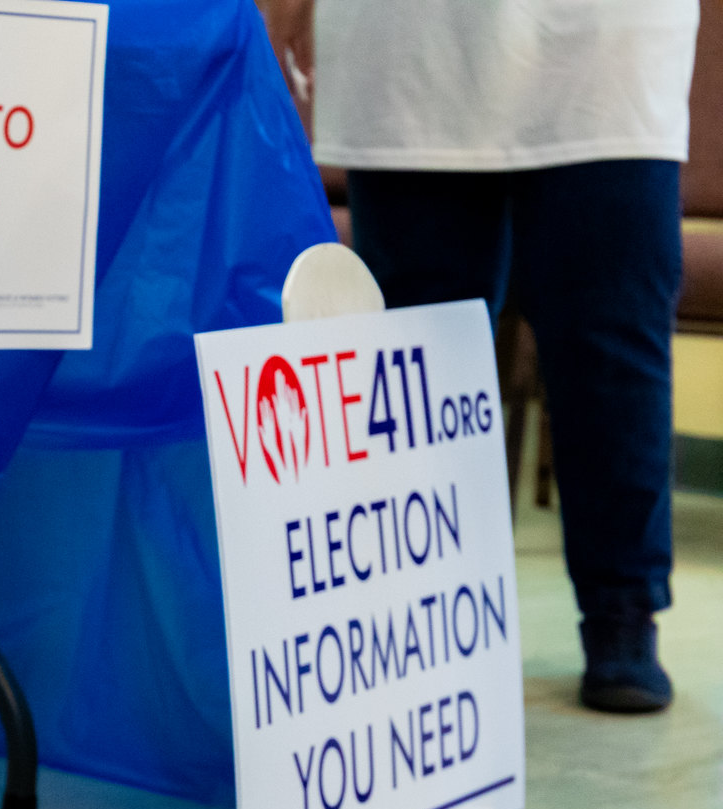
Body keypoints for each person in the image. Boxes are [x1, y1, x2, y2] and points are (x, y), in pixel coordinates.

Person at [265, 0, 698, 713]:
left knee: (611, 341)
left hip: (605, 38)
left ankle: (623, 612)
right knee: (414, 354)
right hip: (408, 33)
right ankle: (420, 617)